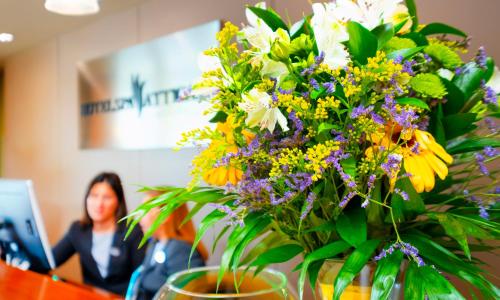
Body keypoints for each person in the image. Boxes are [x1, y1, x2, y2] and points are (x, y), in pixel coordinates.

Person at [52, 172, 146, 296]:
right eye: (94, 196)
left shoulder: (133, 231)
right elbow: (50, 260)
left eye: (107, 197)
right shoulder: (78, 229)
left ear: (118, 202)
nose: (99, 204)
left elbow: (142, 281)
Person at [128, 191, 208, 300]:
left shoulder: (181, 251)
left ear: (165, 215)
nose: (139, 218)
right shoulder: (155, 243)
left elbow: (183, 296)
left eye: (145, 211)